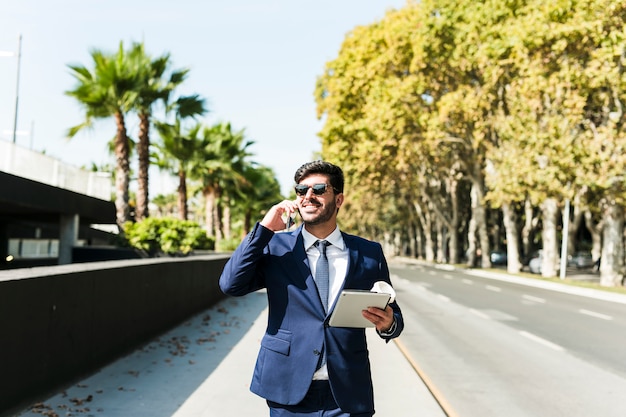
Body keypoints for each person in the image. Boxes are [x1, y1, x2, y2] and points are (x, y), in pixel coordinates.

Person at [219, 160, 404, 416]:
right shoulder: (277, 247)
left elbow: (394, 315)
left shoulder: (369, 253)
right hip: (288, 388)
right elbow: (231, 284)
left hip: (348, 392)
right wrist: (264, 229)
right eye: (301, 190)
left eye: (318, 189)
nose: (308, 196)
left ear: (338, 200)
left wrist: (388, 324)